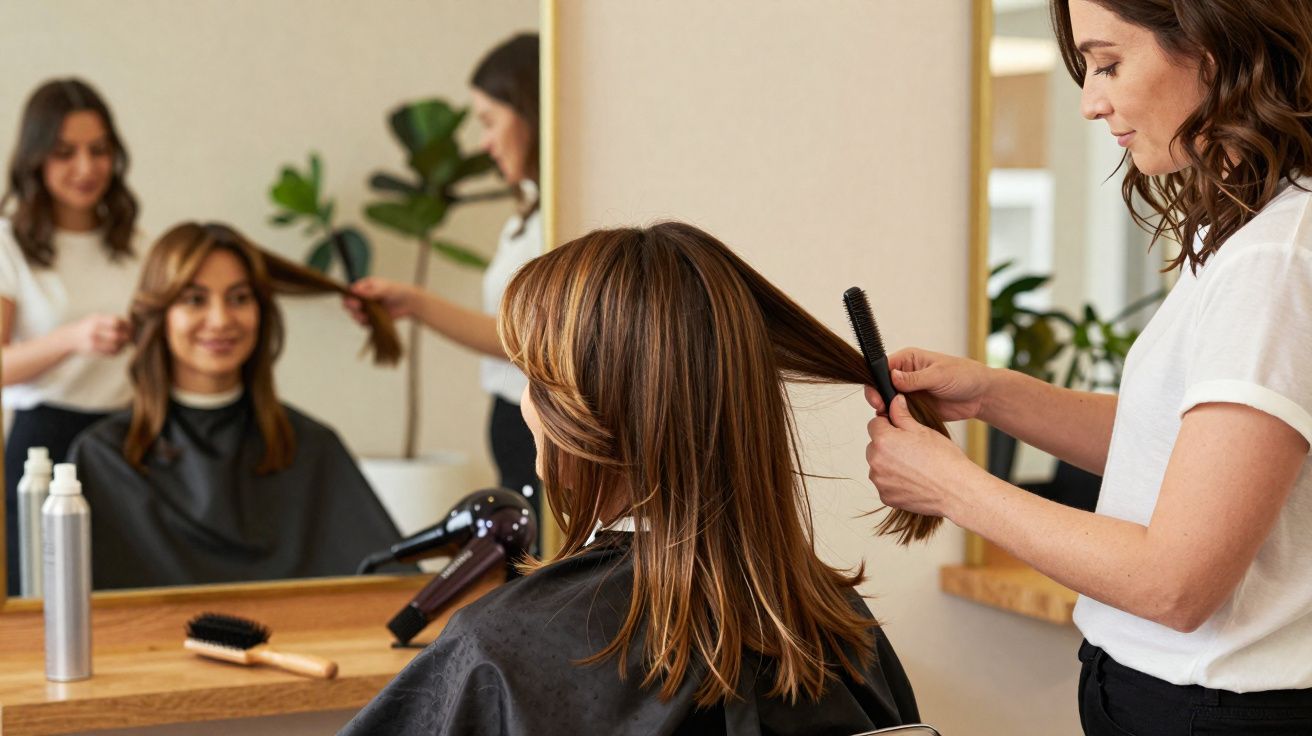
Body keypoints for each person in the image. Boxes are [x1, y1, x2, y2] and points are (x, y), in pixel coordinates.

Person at [864, 2, 1312, 734]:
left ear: (1211, 45)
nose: (1089, 101)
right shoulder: (1247, 234)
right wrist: (992, 393)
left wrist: (951, 486)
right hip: (1153, 692)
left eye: (1108, 63)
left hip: (1213, 710)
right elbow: (1181, 454)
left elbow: (1176, 582)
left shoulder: (1276, 259)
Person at [342, 222, 946, 735]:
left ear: (581, 415)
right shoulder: (836, 623)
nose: (524, 404)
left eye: (531, 378)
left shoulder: (502, 647)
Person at [69, 222, 406, 589]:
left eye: (239, 298)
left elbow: (386, 593)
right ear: (159, 316)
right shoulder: (106, 458)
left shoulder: (311, 448)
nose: (221, 320)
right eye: (195, 299)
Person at [346, 33, 543, 518]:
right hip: (513, 422)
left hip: (536, 428)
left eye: (490, 121)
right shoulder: (528, 215)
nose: (484, 142)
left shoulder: (559, 219)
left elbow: (529, 338)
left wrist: (415, 303)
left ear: (531, 112)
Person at [0, 78, 143, 596]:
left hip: (130, 439)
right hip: (45, 444)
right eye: (65, 152)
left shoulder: (133, 246)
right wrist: (71, 339)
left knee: (125, 591)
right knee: (45, 593)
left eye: (98, 151)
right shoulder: (9, 245)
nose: (86, 168)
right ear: (35, 157)